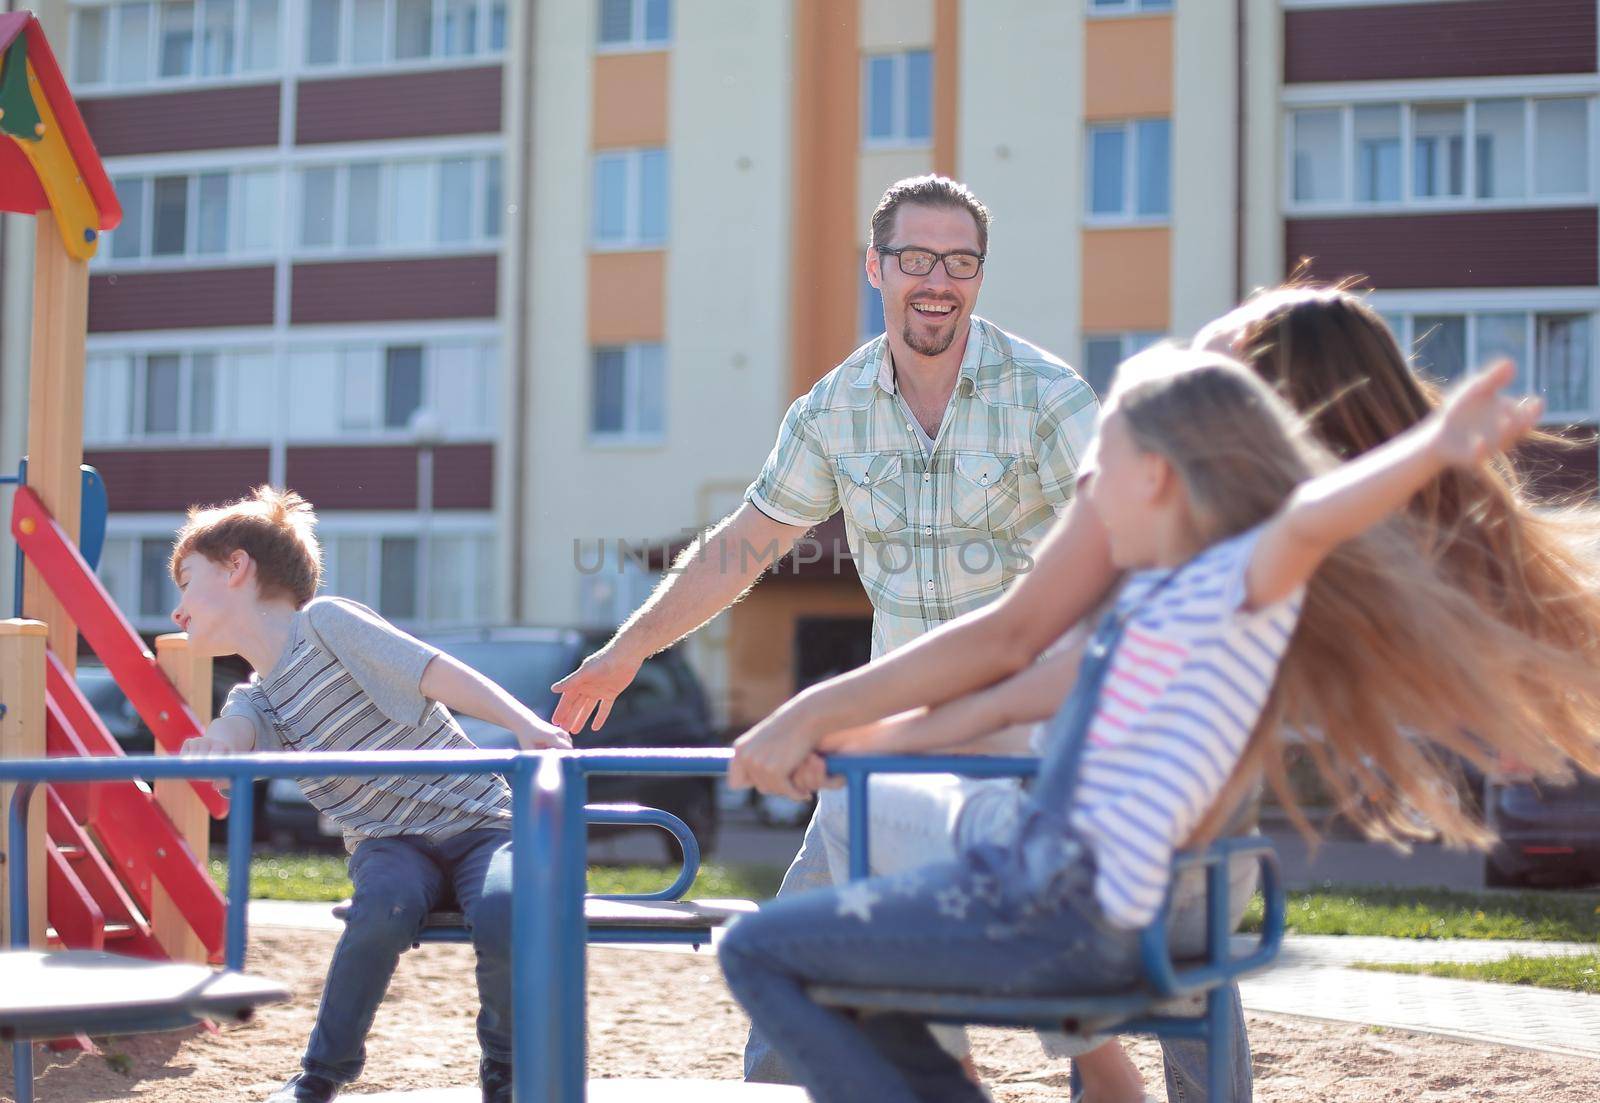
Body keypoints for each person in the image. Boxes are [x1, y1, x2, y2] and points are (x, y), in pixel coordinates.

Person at [734, 283, 1600, 1100]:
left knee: (859, 858)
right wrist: (870, 735)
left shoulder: (1203, 528)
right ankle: (1095, 1062)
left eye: (1232, 338)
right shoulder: (1191, 577)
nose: (1211, 333)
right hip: (1126, 837)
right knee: (895, 826)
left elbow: (1012, 642)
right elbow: (1024, 684)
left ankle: (1067, 1060)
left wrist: (820, 711)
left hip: (1089, 857)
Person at [544, 174, 1101, 1083]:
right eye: (916, 259)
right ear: (874, 268)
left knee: (1122, 961)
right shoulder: (836, 407)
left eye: (961, 263)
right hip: (900, 734)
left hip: (1033, 722)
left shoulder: (1045, 394)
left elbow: (1129, 530)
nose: (939, 280)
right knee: (794, 954)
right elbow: (746, 545)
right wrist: (629, 647)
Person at [169, 486, 571, 1103]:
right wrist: (213, 748)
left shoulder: (327, 624)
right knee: (378, 910)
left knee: (502, 909)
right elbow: (235, 735)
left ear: (236, 567)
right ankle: (321, 1075)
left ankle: (506, 1065)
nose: (178, 609)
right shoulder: (255, 697)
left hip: (480, 824)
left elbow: (433, 671)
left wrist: (525, 724)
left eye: (186, 581)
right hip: (388, 845)